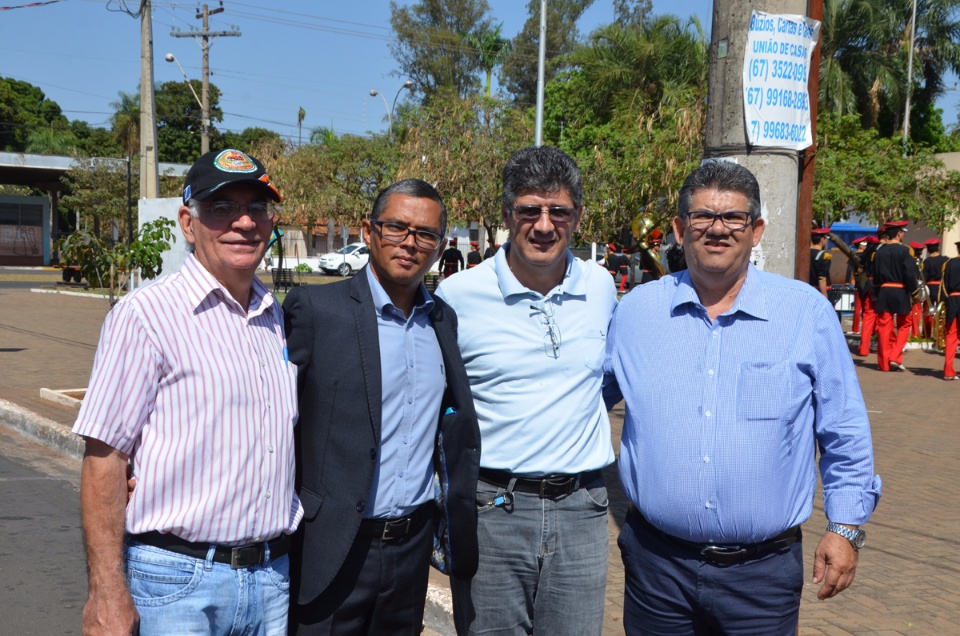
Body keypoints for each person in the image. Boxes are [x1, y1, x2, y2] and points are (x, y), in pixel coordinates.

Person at [604, 160, 881, 635]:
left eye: (733, 218)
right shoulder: (635, 314)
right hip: (656, 569)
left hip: (762, 578)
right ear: (678, 228)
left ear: (755, 231)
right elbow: (584, 402)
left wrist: (845, 528)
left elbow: (845, 430)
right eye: (703, 217)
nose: (718, 230)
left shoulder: (804, 313)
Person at [73, 149, 300, 635]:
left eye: (256, 208)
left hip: (270, 579)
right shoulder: (146, 316)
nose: (243, 222)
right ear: (187, 222)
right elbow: (104, 456)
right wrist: (107, 590)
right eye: (221, 207)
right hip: (176, 582)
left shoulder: (275, 316)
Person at [283, 179, 481, 635]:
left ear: (439, 245)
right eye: (396, 227)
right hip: (332, 547)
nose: (409, 243)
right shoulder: (316, 309)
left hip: (410, 552)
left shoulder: (441, 319)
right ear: (368, 232)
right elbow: (273, 420)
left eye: (425, 234)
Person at [436, 145, 618, 636]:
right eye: (529, 211)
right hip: (493, 510)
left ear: (577, 216)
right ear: (505, 215)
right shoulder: (458, 297)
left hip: (583, 511)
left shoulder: (601, 288)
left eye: (558, 211)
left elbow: (608, 379)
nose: (543, 225)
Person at [872, 220, 917, 371]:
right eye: (903, 232)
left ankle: (884, 364)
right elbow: (910, 274)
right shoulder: (905, 251)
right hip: (901, 290)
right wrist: (914, 292)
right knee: (905, 324)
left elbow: (876, 276)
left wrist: (878, 291)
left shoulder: (879, 252)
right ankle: (895, 356)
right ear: (898, 234)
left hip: (884, 290)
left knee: (884, 328)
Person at [856, 235, 880, 355]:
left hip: (866, 286)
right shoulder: (878, 255)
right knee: (879, 316)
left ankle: (864, 347)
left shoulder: (864, 256)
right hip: (876, 286)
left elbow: (859, 273)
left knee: (867, 317)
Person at [940, 241, 960, 380]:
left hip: (953, 300)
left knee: (951, 336)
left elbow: (944, 286)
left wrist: (945, 303)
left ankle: (948, 371)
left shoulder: (949, 264)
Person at [810, 226, 832, 298]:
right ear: (822, 240)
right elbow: (822, 278)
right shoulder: (825, 256)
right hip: (820, 290)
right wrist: (825, 296)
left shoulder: (805, 255)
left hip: (808, 289)